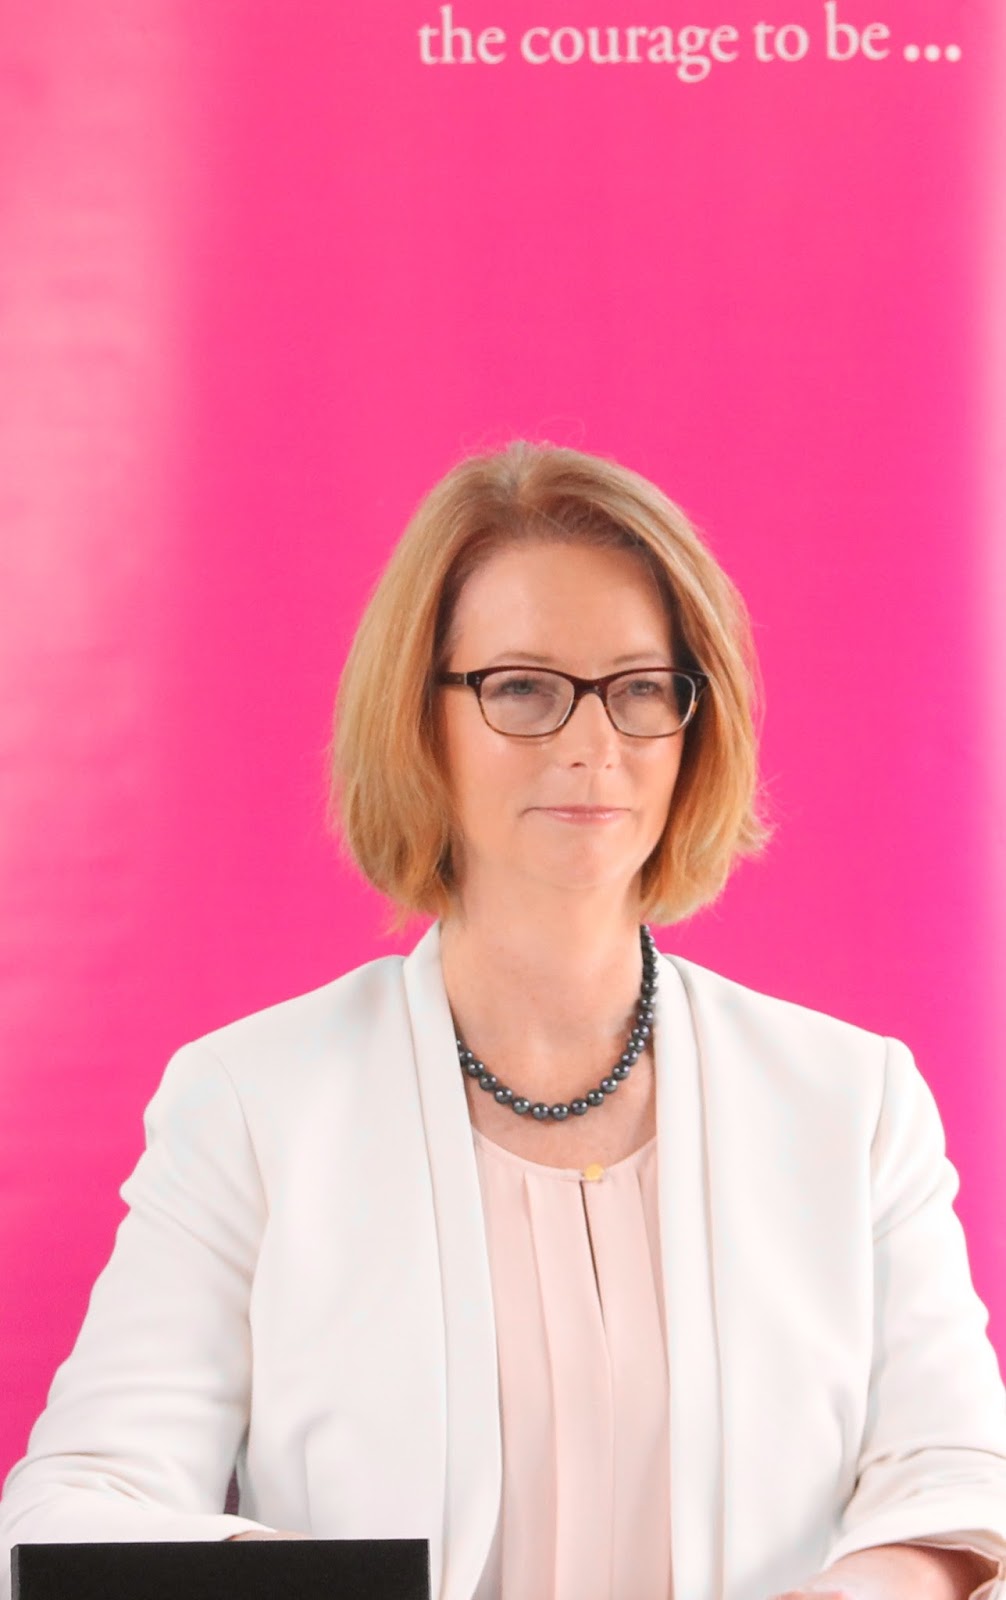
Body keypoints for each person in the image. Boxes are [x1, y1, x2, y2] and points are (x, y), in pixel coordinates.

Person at [2, 440, 1005, 1600]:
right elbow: (71, 1506)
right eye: (522, 687)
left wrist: (864, 1590)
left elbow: (960, 1476)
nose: (591, 743)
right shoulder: (252, 1102)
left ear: (696, 724)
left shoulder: (851, 1099)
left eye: (640, 688)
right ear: (418, 720)